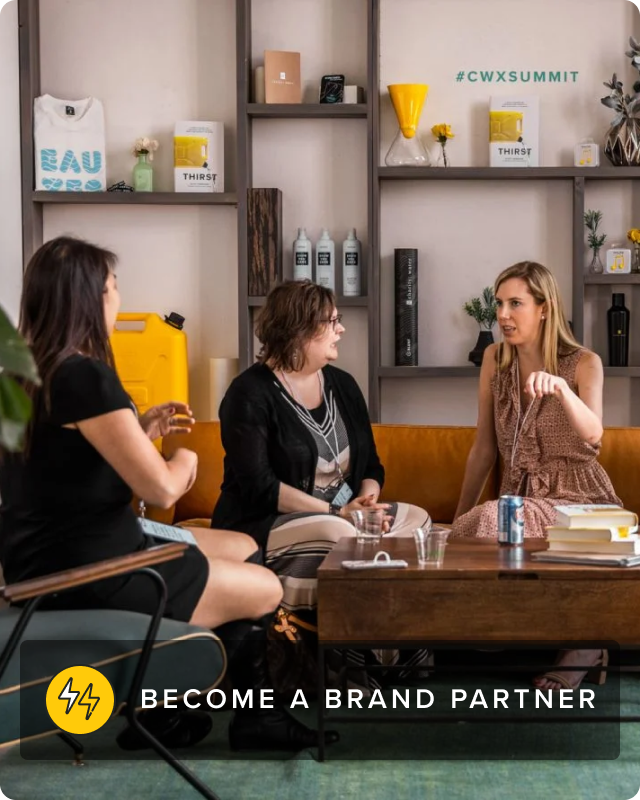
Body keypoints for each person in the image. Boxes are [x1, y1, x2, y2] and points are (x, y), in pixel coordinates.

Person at [0, 236, 335, 751]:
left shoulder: (27, 375)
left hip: (40, 562)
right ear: (89, 298)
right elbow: (158, 487)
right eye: (113, 288)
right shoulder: (86, 375)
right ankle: (242, 721)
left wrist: (141, 429)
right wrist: (186, 458)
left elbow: (70, 465)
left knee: (243, 547)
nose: (117, 298)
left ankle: (169, 712)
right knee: (265, 587)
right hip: (95, 569)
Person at [212, 280, 431, 684]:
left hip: (345, 514)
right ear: (299, 330)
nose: (340, 330)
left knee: (416, 520)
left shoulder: (343, 385)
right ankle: (345, 664)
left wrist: (367, 504)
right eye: (331, 321)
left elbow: (372, 465)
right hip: (268, 521)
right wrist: (339, 512)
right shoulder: (249, 393)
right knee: (336, 533)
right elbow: (260, 487)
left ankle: (394, 655)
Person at [451, 260, 620, 690]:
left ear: (544, 308)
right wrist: (455, 521)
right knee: (467, 529)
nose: (503, 315)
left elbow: (595, 435)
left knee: (493, 520)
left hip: (578, 500)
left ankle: (583, 648)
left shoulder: (585, 363)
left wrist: (562, 389)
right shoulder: (494, 359)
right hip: (517, 499)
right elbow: (484, 449)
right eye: (499, 304)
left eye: (515, 304)